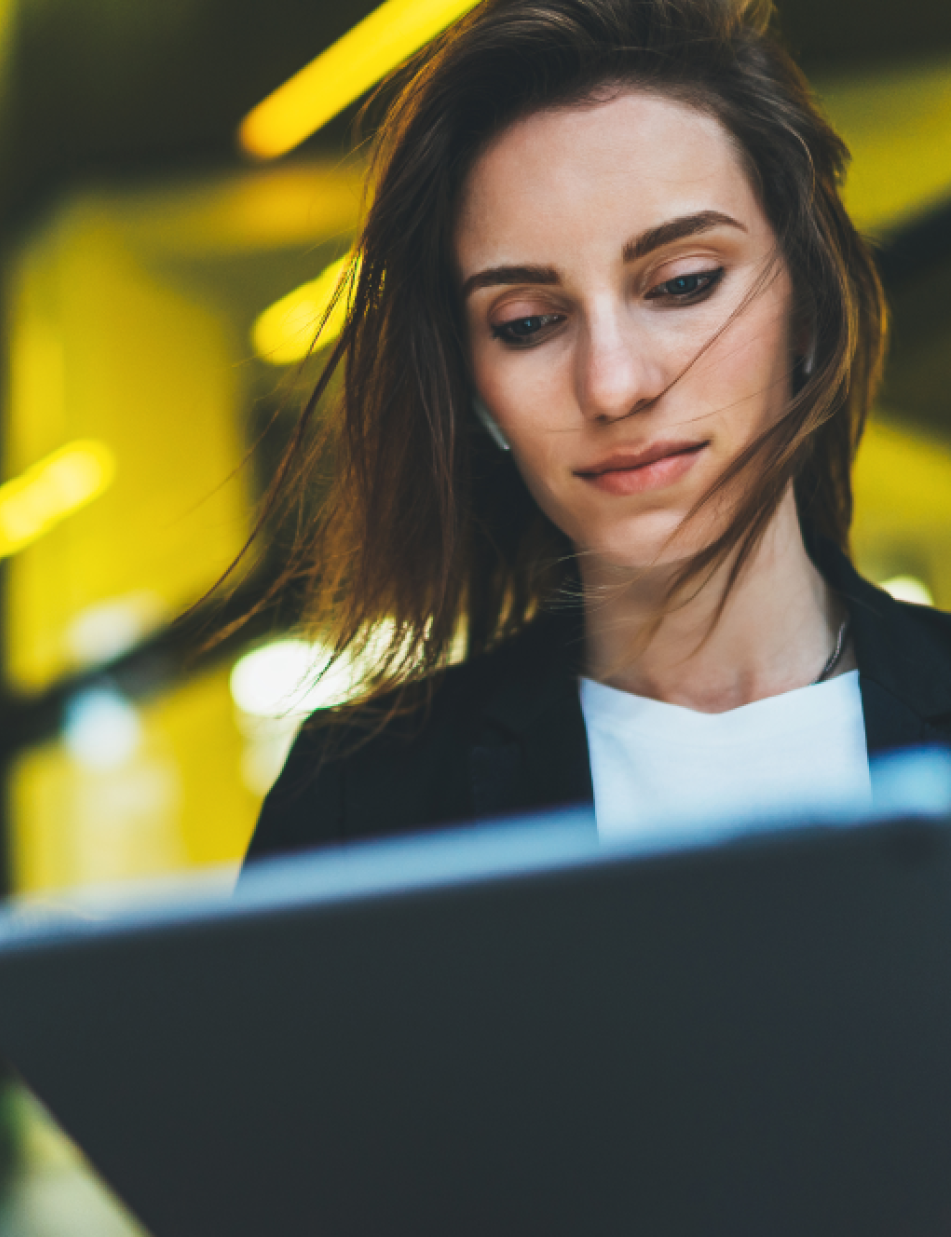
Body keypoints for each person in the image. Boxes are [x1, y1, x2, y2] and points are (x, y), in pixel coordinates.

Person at [242, 0, 951, 860]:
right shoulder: (362, 806)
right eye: (529, 323)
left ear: (807, 304)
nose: (613, 385)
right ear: (474, 388)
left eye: (683, 283)